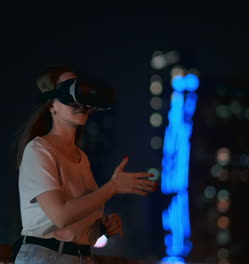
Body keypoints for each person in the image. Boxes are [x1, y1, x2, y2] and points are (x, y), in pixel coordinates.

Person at [13, 65, 159, 264]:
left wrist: (101, 227)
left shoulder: (81, 158)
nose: (78, 101)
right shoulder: (38, 150)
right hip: (47, 257)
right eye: (67, 91)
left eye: (79, 91)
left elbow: (74, 223)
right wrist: (113, 187)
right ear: (51, 105)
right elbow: (61, 216)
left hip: (81, 257)